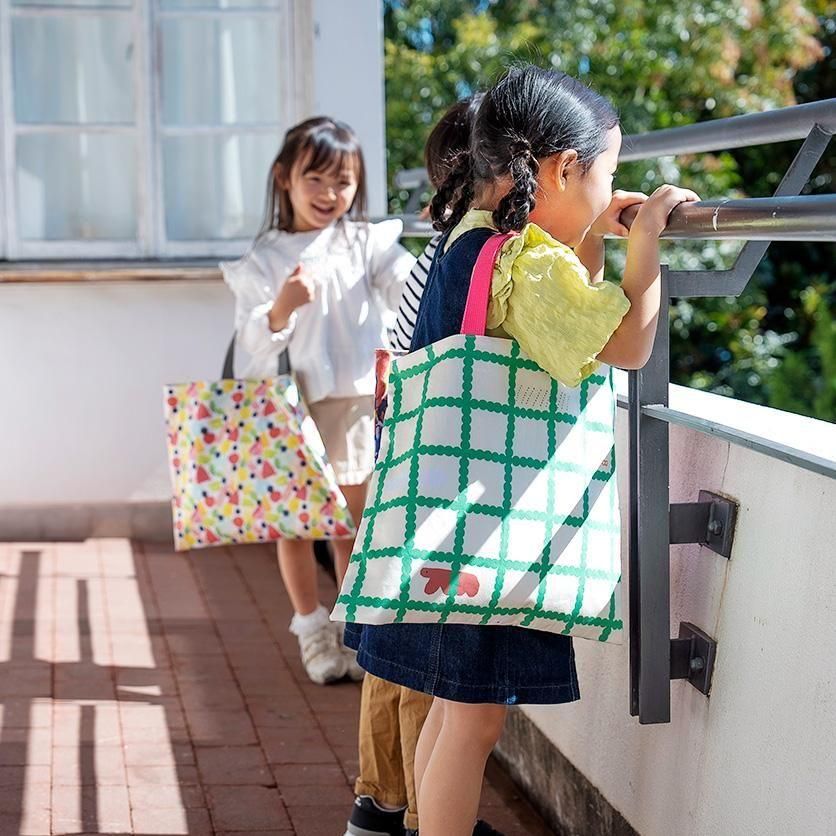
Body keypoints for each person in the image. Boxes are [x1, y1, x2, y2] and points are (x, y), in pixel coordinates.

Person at [346, 64, 699, 836]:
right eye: (605, 174)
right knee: (473, 727)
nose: (610, 192)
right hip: (491, 533)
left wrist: (593, 244)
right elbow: (625, 345)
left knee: (454, 713)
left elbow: (564, 334)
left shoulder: (472, 242)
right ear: (561, 169)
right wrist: (649, 244)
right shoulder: (522, 259)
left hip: (448, 520)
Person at [344, 97, 502, 836]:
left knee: (394, 653)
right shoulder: (466, 253)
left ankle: (379, 809)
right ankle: (419, 817)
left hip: (401, 455)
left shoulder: (436, 247)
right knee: (420, 667)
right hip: (431, 468)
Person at [222, 117, 414, 685]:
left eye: (344, 182)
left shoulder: (366, 242)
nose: (331, 195)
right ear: (284, 178)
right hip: (291, 406)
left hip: (354, 402)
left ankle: (352, 631)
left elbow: (407, 282)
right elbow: (249, 350)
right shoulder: (266, 258)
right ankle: (311, 628)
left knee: (350, 523)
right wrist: (281, 307)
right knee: (295, 524)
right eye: (317, 180)